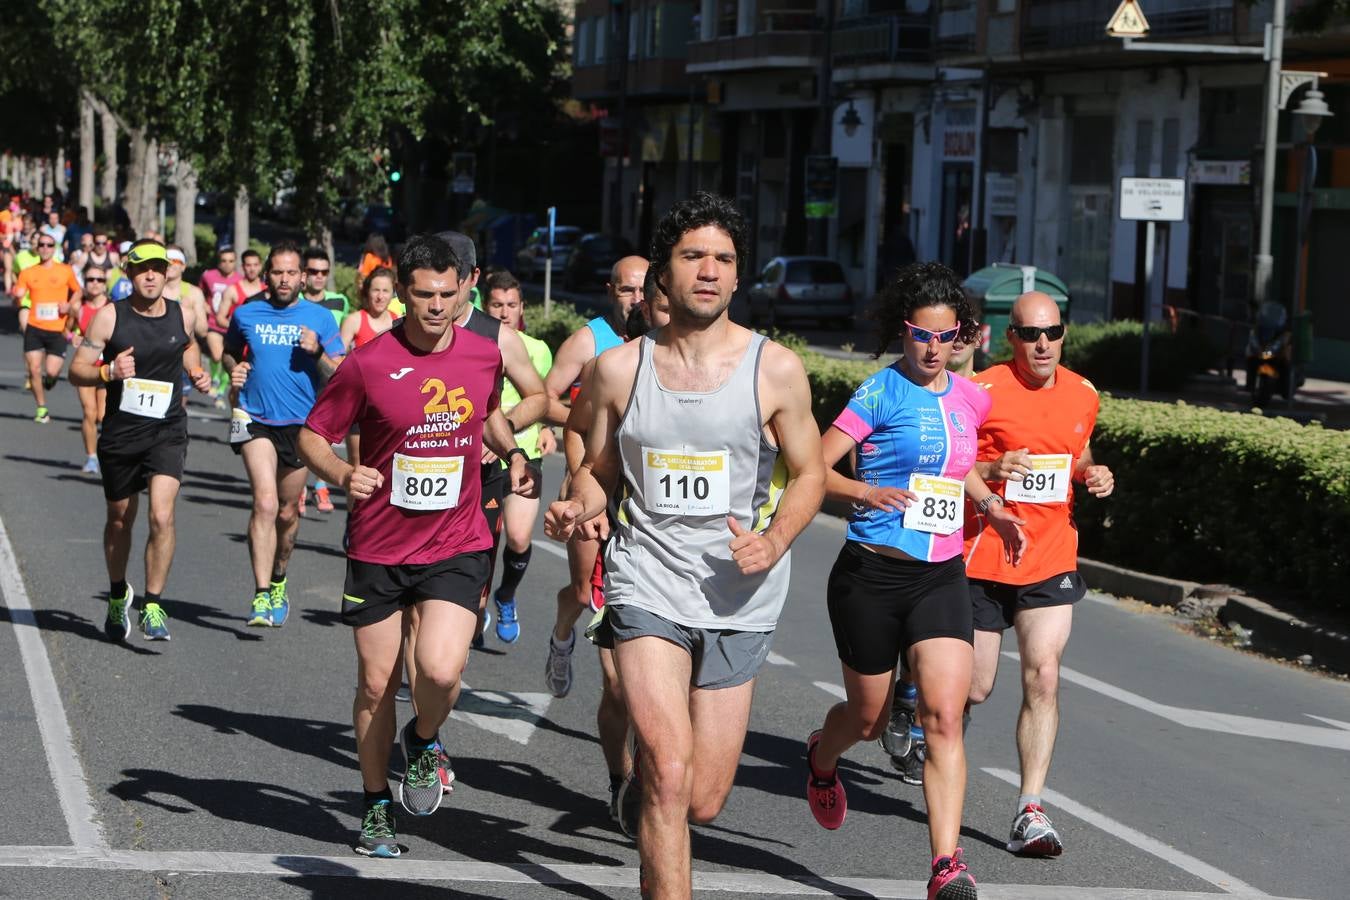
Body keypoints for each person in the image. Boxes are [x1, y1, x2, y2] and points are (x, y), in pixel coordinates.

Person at [546, 192, 825, 899]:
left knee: (701, 799)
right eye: (692, 256)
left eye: (723, 259)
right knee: (669, 773)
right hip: (648, 582)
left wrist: (775, 539)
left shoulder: (776, 370)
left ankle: (655, 815)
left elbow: (812, 474)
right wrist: (579, 505)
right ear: (662, 276)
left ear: (739, 277)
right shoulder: (619, 370)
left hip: (740, 594)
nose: (708, 270)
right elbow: (600, 468)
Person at [297, 234, 532, 855]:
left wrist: (511, 451)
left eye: (446, 295)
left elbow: (487, 412)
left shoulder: (484, 356)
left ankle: (424, 738)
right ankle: (376, 805)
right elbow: (313, 436)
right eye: (422, 294)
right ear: (401, 293)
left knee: (441, 669)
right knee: (377, 684)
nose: (434, 307)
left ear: (463, 294)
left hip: (457, 540)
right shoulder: (368, 362)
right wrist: (344, 475)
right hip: (378, 545)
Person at [802, 262, 1025, 900]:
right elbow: (814, 468)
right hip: (870, 576)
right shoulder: (879, 393)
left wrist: (991, 504)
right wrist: (866, 489)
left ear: (960, 337)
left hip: (941, 577)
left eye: (943, 337)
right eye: (919, 336)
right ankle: (824, 754)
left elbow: (957, 469)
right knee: (868, 720)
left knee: (944, 717)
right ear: (904, 332)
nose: (931, 349)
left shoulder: (970, 397)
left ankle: (945, 867)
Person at [963, 291, 1114, 858]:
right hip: (981, 556)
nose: (1042, 344)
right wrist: (990, 467)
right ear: (1011, 339)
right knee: (975, 687)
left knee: (1043, 676)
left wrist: (1093, 473)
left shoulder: (1083, 393)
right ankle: (916, 690)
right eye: (1029, 334)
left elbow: (1075, 453)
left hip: (1049, 555)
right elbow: (947, 464)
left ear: (1064, 334)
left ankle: (1030, 809)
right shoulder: (982, 391)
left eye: (1051, 332)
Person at [566, 272, 672, 831]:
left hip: (690, 561)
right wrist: (590, 492)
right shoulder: (616, 368)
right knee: (617, 684)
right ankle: (620, 778)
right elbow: (578, 431)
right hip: (622, 543)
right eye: (657, 305)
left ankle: (660, 783)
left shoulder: (723, 369)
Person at [67, 240, 213, 642]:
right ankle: (118, 595)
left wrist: (197, 370)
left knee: (162, 515)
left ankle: (152, 603)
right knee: (120, 518)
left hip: (167, 430)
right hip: (121, 433)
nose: (150, 275)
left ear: (167, 273)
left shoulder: (180, 314)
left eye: (157, 268)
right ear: (129, 274)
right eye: (141, 268)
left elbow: (188, 345)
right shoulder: (108, 318)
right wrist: (108, 372)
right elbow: (76, 369)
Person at [540, 254, 646, 697]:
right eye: (627, 290)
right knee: (584, 594)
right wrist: (586, 421)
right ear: (610, 291)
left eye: (644, 290)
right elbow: (545, 396)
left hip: (638, 494)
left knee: (620, 603)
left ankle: (622, 694)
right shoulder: (588, 341)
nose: (636, 300)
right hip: (590, 486)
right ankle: (561, 637)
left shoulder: (662, 340)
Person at [224, 240, 344, 627]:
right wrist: (233, 369)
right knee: (265, 502)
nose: (284, 279)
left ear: (304, 276)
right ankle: (260, 595)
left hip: (302, 426)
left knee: (289, 513)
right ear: (266, 274)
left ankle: (279, 578)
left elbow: (340, 375)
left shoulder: (321, 319)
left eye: (292, 272)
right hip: (256, 418)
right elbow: (229, 350)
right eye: (278, 272)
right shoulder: (246, 313)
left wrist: (317, 354)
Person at [483, 269, 555, 644]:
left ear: (522, 308)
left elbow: (545, 397)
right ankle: (473, 605)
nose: (504, 312)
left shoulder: (537, 349)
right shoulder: (472, 342)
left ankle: (506, 595)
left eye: (511, 305)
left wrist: (546, 428)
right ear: (485, 304)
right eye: (497, 304)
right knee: (480, 543)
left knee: (519, 536)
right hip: (479, 457)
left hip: (523, 454)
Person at [299, 246, 352, 514]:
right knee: (298, 432)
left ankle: (320, 484)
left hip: (328, 375)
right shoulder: (295, 301)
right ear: (303, 274)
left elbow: (341, 342)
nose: (318, 277)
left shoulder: (338, 301)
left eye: (324, 272)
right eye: (313, 271)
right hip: (298, 374)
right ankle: (298, 487)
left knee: (322, 434)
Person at [10, 227, 81, 422]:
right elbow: (19, 293)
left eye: (49, 245)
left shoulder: (65, 270)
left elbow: (78, 291)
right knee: (33, 368)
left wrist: (69, 304)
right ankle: (41, 407)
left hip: (57, 328)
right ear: (37, 247)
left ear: (54, 248)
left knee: (51, 371)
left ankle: (50, 379)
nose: (45, 248)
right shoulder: (28, 272)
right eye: (41, 245)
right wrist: (17, 297)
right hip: (35, 325)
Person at [339, 266, 397, 470]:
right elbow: (337, 360)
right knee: (358, 468)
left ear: (393, 293)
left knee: (388, 468)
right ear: (367, 292)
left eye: (385, 291)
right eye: (376, 290)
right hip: (359, 404)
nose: (380, 296)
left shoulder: (398, 323)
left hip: (391, 405)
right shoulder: (354, 320)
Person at [66, 262, 113, 473]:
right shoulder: (78, 308)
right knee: (89, 412)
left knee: (103, 415)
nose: (95, 284)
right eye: (90, 279)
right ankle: (91, 457)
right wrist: (72, 337)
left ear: (105, 284)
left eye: (100, 280)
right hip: (85, 366)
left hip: (107, 368)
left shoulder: (113, 309)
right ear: (84, 283)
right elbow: (65, 330)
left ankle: (106, 453)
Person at [200, 245, 244, 402]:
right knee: (217, 355)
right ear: (218, 261)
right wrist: (204, 306)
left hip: (231, 326)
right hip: (213, 323)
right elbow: (202, 293)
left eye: (231, 261)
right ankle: (215, 378)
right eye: (224, 261)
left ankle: (221, 386)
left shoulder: (240, 280)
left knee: (229, 359)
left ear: (235, 262)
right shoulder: (208, 276)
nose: (227, 264)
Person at [356, 232, 394, 300]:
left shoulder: (369, 257)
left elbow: (363, 276)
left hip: (372, 291)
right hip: (385, 290)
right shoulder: (387, 259)